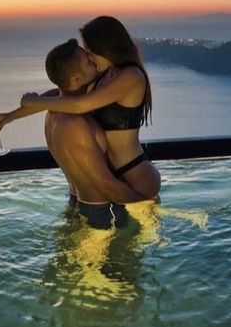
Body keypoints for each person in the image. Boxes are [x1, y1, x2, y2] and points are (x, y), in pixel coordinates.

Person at [0, 39, 146, 230]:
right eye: (88, 61)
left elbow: (52, 96)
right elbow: (106, 185)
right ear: (76, 79)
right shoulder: (76, 125)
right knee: (118, 261)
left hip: (78, 203)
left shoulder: (53, 113)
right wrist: (146, 205)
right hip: (99, 213)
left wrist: (8, 117)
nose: (92, 60)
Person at [19, 16, 160, 200]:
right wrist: (9, 117)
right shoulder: (103, 75)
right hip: (113, 179)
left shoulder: (131, 76)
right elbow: (60, 95)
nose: (89, 56)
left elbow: (79, 105)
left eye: (91, 51)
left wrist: (35, 101)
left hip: (135, 176)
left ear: (106, 48)